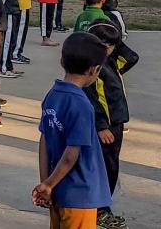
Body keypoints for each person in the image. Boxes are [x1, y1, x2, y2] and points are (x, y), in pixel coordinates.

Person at [33, 33, 111, 229]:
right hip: (80, 194)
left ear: (62, 61)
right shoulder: (82, 105)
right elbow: (72, 153)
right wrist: (48, 185)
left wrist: (46, 182)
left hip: (57, 190)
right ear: (95, 70)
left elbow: (45, 140)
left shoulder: (52, 95)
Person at [82, 21, 134, 228]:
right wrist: (100, 125)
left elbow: (132, 58)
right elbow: (90, 97)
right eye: (105, 45)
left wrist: (116, 41)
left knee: (112, 167)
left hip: (117, 122)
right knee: (105, 168)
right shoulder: (91, 68)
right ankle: (99, 210)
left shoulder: (111, 61)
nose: (109, 49)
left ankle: (102, 207)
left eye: (112, 45)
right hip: (106, 126)